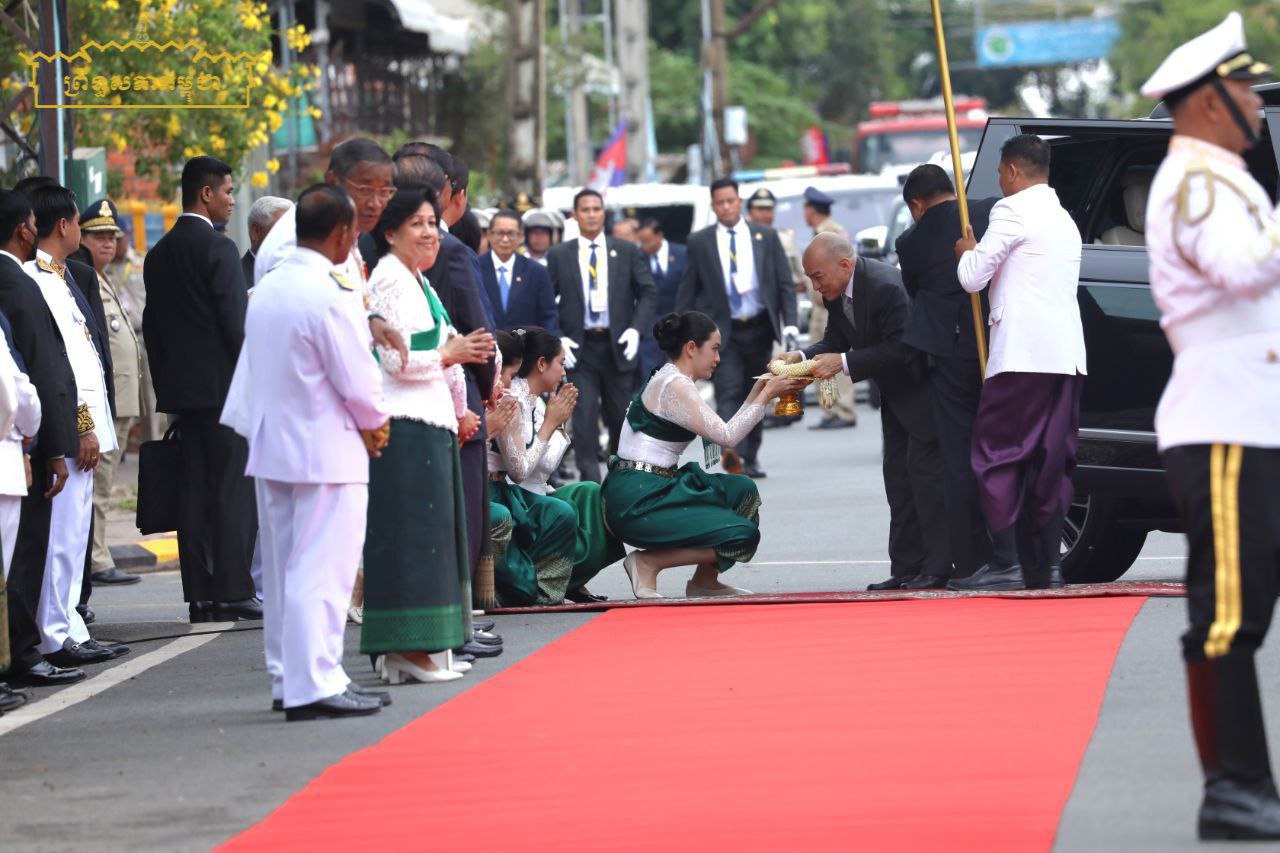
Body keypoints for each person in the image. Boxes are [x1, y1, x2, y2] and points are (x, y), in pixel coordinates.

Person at [1140, 13, 1280, 840]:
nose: (1257, 104)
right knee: (1230, 609)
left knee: (1243, 600)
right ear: (1206, 103)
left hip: (1254, 417)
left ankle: (1243, 785)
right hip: (1225, 421)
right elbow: (1240, 268)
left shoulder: (1226, 178)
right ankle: (1234, 787)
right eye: (1245, 90)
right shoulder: (1195, 182)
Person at [235, 183, 391, 721]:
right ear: (343, 234)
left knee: (286, 571)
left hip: (275, 441)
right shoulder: (328, 291)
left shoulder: (269, 285)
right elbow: (357, 378)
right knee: (322, 570)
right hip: (325, 446)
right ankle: (314, 681)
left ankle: (291, 677)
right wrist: (376, 423)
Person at [363, 186, 493, 684]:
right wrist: (448, 355)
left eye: (433, 223)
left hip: (432, 423)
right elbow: (394, 360)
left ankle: (429, 647)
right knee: (413, 541)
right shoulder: (389, 280)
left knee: (436, 539)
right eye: (416, 224)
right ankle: (405, 649)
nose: (429, 233)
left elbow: (447, 351)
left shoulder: (418, 281)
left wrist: (460, 409)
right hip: (406, 426)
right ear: (390, 233)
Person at [949, 134, 1086, 592]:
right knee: (1050, 460)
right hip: (1065, 357)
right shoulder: (1064, 218)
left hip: (1021, 356)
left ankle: (1007, 562)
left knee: (997, 454)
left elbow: (973, 278)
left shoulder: (1011, 210)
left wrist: (965, 253)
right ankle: (1047, 566)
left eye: (1000, 174)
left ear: (1011, 171)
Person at [782, 233, 950, 589]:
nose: (815, 287)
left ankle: (936, 569)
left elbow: (904, 347)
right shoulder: (835, 292)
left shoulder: (886, 286)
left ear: (844, 264)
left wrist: (843, 363)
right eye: (810, 278)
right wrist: (801, 357)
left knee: (926, 483)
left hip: (924, 392)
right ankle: (906, 569)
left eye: (817, 277)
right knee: (898, 481)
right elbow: (835, 340)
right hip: (895, 395)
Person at [604, 312, 799, 598]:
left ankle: (704, 581)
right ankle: (648, 563)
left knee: (741, 490)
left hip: (651, 486)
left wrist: (760, 389)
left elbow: (722, 430)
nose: (718, 358)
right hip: (638, 500)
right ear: (692, 348)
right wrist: (767, 395)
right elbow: (727, 436)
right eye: (715, 349)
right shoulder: (676, 385)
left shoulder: (670, 377)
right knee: (743, 536)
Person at [144, 157, 260, 622]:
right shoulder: (218, 248)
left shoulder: (159, 252)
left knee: (193, 492)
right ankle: (233, 589)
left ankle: (200, 594)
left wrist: (168, 387)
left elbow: (153, 329)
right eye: (228, 191)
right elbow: (236, 325)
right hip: (225, 391)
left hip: (183, 396)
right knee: (233, 489)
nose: (232, 200)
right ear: (206, 193)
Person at [25, 185, 128, 665]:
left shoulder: (61, 276)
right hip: (70, 429)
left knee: (74, 536)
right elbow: (58, 368)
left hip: (84, 427)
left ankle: (70, 625)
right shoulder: (39, 280)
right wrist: (82, 426)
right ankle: (54, 633)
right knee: (62, 539)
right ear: (64, 225)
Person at [895, 165, 998, 580]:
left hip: (949, 353)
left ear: (916, 205)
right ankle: (1012, 552)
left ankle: (971, 559)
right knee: (1002, 448)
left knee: (958, 457)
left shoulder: (911, 241)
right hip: (995, 344)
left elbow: (915, 291)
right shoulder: (985, 212)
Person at [0, 190, 84, 686]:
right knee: (25, 554)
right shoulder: (18, 281)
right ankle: (24, 654)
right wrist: (51, 444)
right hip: (19, 442)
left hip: (21, 438)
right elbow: (34, 373)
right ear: (24, 230)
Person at [490, 326, 622, 605]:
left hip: (531, 490)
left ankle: (572, 580)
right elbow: (524, 470)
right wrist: (554, 425)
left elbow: (544, 463)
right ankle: (548, 585)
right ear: (541, 364)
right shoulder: (514, 400)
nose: (564, 372)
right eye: (560, 363)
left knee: (590, 492)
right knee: (566, 509)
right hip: (519, 491)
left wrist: (557, 425)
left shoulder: (535, 401)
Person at [676, 178, 798, 479]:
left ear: (739, 203)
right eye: (720, 203)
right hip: (721, 332)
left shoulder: (765, 236)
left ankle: (751, 455)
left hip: (759, 326)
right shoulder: (700, 241)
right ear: (713, 206)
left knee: (757, 390)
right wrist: (682, 332)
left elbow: (784, 282)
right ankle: (732, 453)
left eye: (731, 201)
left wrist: (791, 323)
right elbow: (688, 288)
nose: (726, 207)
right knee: (728, 390)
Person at [548, 188, 656, 484]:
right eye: (585, 209)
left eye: (596, 209)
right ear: (575, 215)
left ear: (604, 213)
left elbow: (647, 292)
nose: (592, 215)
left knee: (620, 417)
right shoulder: (560, 255)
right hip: (580, 348)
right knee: (584, 419)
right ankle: (591, 484)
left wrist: (635, 329)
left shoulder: (626, 250)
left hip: (617, 345)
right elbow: (546, 301)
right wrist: (559, 338)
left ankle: (619, 479)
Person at [80, 199, 145, 587]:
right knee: (99, 484)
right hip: (106, 400)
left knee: (103, 482)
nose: (107, 242)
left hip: (121, 398)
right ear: (81, 238)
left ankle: (97, 552)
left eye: (112, 236)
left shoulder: (103, 277)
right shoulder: (84, 277)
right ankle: (97, 558)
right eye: (98, 236)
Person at [795, 187, 856, 431]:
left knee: (835, 359)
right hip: (821, 306)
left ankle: (844, 410)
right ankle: (831, 410)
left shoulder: (830, 233)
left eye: (805, 209)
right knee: (821, 360)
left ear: (811, 210)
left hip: (831, 306)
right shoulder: (820, 232)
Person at [479, 210, 559, 333]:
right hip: (485, 342)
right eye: (499, 233)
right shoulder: (474, 268)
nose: (505, 239)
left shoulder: (537, 272)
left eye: (511, 234)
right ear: (489, 234)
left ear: (521, 237)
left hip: (525, 343)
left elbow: (548, 316)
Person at [635, 218, 687, 379]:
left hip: (680, 320)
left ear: (660, 235)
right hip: (651, 325)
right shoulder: (638, 257)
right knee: (651, 373)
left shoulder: (682, 253)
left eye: (648, 242)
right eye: (642, 243)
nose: (645, 247)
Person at [241, 196, 292, 289]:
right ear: (256, 232)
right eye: (282, 231)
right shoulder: (235, 278)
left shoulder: (298, 274)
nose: (290, 238)